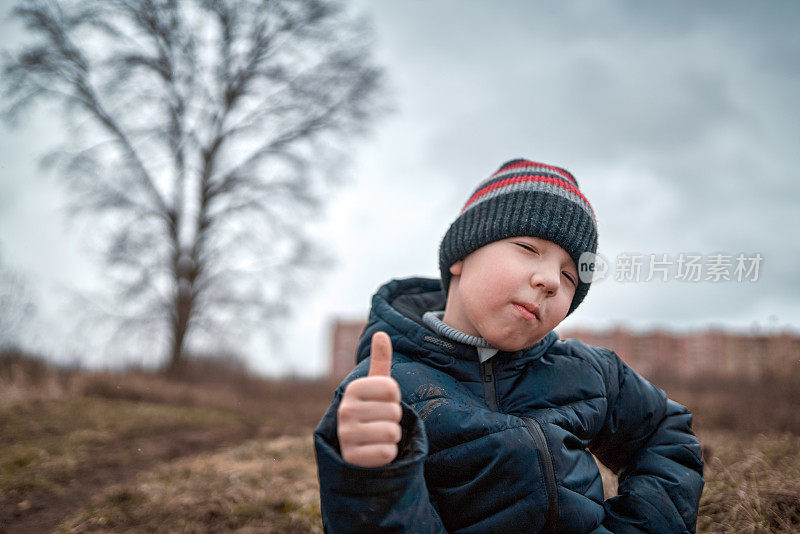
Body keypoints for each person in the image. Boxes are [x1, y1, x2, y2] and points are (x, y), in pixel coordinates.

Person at [314, 158, 705, 533]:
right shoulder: (382, 394)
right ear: (461, 257)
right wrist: (370, 475)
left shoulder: (590, 371)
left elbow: (664, 432)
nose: (551, 280)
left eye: (570, 276)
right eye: (529, 248)